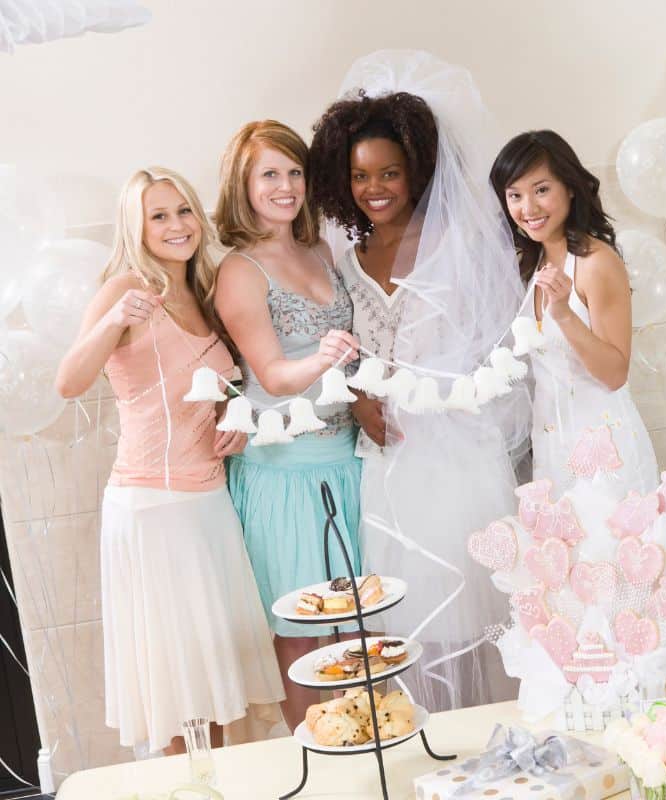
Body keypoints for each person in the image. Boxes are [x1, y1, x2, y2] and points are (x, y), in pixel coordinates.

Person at [309, 50, 529, 711]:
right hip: (389, 464)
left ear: (418, 171)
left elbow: (499, 350)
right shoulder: (348, 257)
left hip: (456, 456)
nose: (374, 187)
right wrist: (358, 398)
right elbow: (353, 353)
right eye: (359, 175)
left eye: (389, 173)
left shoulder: (456, 244)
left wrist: (420, 392)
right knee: (409, 626)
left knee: (474, 615)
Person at [54, 167, 284, 754]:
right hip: (152, 506)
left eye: (184, 210)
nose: (177, 225)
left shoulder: (203, 288)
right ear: (137, 226)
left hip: (209, 504)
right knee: (180, 683)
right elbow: (68, 382)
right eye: (159, 215)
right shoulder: (125, 288)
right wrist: (112, 320)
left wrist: (235, 420)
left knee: (217, 674)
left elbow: (211, 385)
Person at [214, 119, 361, 729]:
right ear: (243, 186)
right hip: (282, 472)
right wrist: (324, 358)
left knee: (355, 624)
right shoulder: (239, 270)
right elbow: (271, 374)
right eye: (269, 174)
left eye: (294, 172)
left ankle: (360, 748)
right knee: (299, 630)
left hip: (348, 460)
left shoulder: (321, 251)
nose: (285, 186)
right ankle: (311, 758)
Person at [490, 129, 658, 493]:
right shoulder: (530, 265)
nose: (528, 208)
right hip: (552, 448)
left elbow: (615, 374)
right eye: (515, 195)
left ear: (569, 187)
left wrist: (564, 314)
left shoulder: (597, 263)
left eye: (541, 190)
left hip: (605, 453)